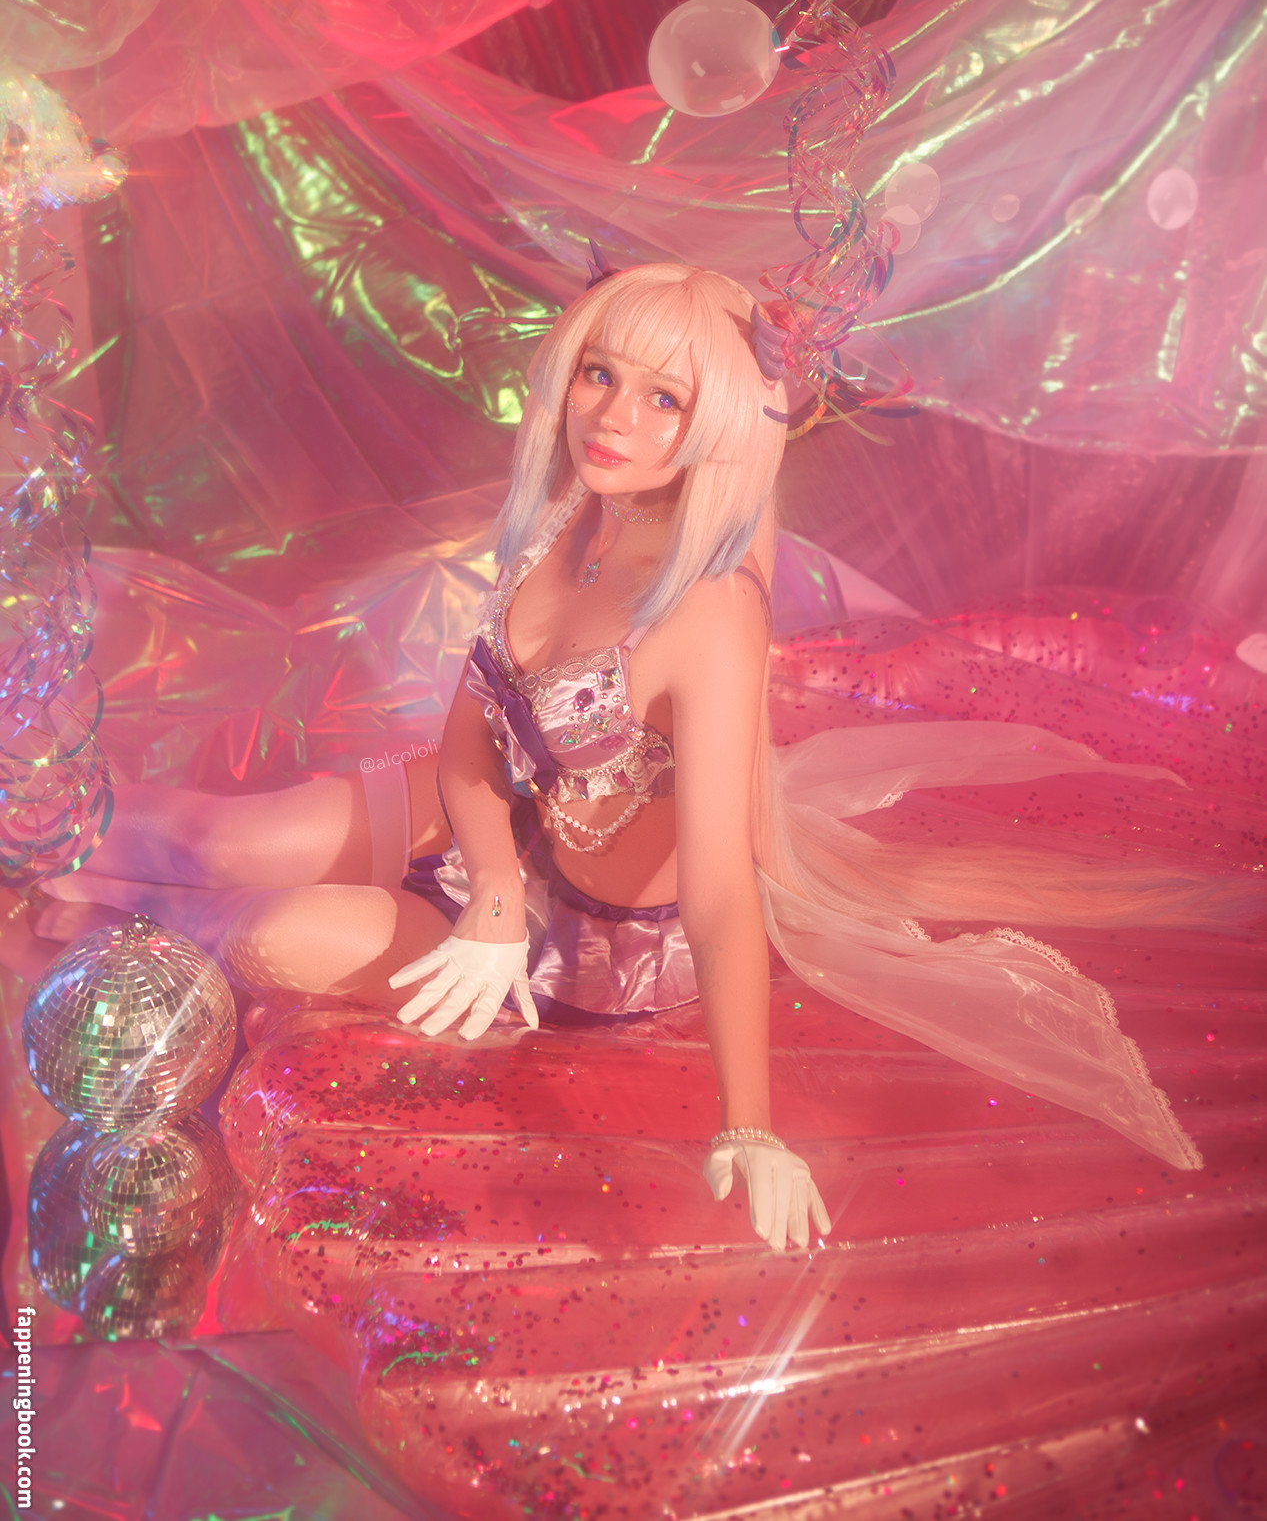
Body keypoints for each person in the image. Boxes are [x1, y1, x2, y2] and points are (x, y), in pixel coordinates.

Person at [44, 262, 1245, 1249]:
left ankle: (93, 907)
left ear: (715, 423)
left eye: (664, 398)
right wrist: (492, 887)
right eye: (600, 375)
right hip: (498, 821)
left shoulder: (711, 612)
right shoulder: (576, 514)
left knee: (265, 928)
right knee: (207, 833)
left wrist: (749, 1125)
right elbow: (465, 744)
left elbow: (720, 892)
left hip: (583, 945)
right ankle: (33, 823)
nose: (612, 417)